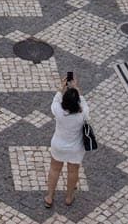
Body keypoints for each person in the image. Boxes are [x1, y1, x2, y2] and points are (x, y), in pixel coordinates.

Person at [44, 75, 88, 208]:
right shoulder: (83, 113)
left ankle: (50, 197)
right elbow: (84, 103)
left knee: (54, 169)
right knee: (73, 172)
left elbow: (55, 101)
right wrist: (77, 90)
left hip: (58, 145)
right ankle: (69, 197)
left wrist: (60, 88)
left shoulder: (58, 111)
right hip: (75, 148)